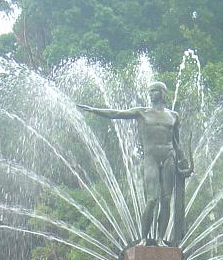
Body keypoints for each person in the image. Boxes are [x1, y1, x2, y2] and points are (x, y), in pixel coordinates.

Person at [78, 81, 192, 244]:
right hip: (151, 158)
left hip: (169, 157)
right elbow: (116, 113)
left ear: (162, 93)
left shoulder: (173, 116)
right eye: (150, 91)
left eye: (154, 91)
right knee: (152, 199)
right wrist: (94, 110)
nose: (151, 94)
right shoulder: (141, 112)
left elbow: (176, 142)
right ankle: (144, 238)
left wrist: (183, 161)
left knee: (166, 199)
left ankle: (160, 239)